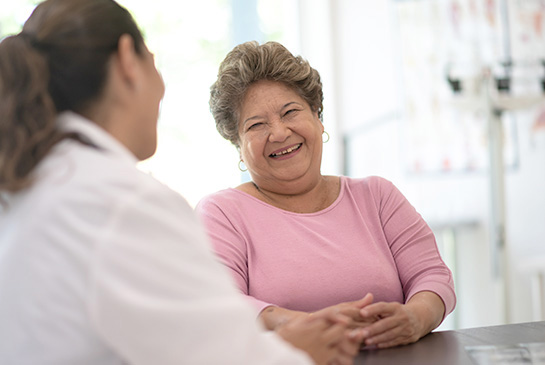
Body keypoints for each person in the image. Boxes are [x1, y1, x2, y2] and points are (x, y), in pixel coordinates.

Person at [0, 2, 366, 364]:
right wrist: (296, 351)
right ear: (129, 60)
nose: (161, 91)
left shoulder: (33, 182)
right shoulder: (122, 202)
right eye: (256, 124)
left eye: (291, 112)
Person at [196, 40, 457, 349]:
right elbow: (220, 303)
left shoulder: (377, 196)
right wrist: (299, 325)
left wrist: (416, 317)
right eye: (256, 125)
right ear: (239, 145)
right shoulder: (221, 213)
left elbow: (432, 276)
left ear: (317, 118)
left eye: (290, 112)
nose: (279, 133)